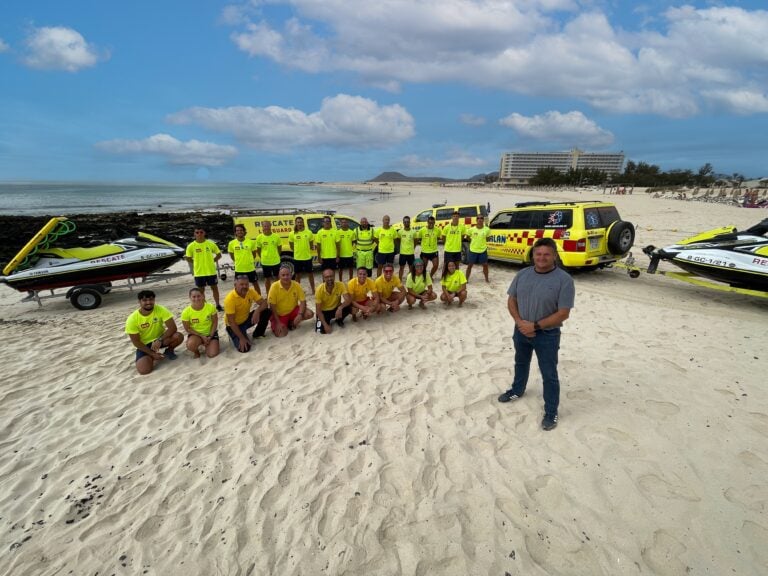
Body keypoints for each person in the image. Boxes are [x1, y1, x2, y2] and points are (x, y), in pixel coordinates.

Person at [497, 238, 575, 432]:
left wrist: (536, 326)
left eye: (546, 254)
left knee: (549, 374)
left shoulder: (564, 280)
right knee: (521, 363)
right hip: (521, 330)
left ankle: (551, 412)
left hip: (547, 335)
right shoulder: (522, 274)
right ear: (533, 255)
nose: (541, 258)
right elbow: (511, 300)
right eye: (538, 254)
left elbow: (563, 313)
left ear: (555, 255)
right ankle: (517, 390)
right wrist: (520, 323)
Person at [125, 290, 184, 375]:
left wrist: (159, 340)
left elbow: (173, 328)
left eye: (151, 299)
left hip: (161, 339)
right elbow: (136, 342)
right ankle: (151, 356)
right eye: (145, 300)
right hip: (144, 345)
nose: (148, 302)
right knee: (144, 370)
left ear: (154, 300)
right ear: (139, 302)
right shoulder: (132, 319)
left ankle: (169, 351)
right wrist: (152, 354)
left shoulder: (160, 309)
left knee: (178, 336)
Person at [223, 274, 271, 353]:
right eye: (241, 284)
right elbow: (231, 321)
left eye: (246, 284)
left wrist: (257, 311)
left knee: (267, 311)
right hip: (234, 325)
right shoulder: (229, 299)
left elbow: (264, 303)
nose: (244, 286)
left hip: (246, 319)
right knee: (245, 348)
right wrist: (242, 338)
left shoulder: (250, 291)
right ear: (235, 285)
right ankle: (237, 335)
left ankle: (258, 334)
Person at [268, 263, 314, 337]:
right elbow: (272, 306)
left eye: (287, 275)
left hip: (293, 311)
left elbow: (303, 301)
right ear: (279, 276)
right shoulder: (274, 286)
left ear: (291, 275)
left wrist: (300, 314)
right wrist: (278, 322)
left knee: (309, 314)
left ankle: (292, 322)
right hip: (280, 315)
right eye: (283, 275)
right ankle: (285, 323)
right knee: (282, 334)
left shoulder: (296, 284)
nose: (286, 277)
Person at [185, 227, 223, 311]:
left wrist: (213, 261)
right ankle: (204, 306)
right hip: (199, 273)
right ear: (194, 234)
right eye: (197, 232)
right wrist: (195, 263)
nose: (199, 234)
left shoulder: (210, 244)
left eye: (201, 232)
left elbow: (219, 254)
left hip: (211, 271)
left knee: (215, 289)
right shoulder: (191, 246)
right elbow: (188, 257)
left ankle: (218, 305)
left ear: (204, 233)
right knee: (201, 291)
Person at [180, 287, 220, 359]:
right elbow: (188, 328)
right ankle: (196, 352)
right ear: (190, 298)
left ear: (203, 296)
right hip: (196, 334)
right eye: (194, 297)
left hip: (210, 333)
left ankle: (208, 343)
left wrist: (210, 336)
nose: (196, 299)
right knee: (190, 345)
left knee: (212, 354)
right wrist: (201, 336)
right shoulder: (186, 312)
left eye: (199, 296)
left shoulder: (210, 307)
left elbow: (215, 322)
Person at [314, 268, 353, 334]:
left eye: (331, 276)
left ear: (334, 276)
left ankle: (339, 320)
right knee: (320, 331)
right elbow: (318, 310)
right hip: (324, 312)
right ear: (323, 278)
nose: (329, 278)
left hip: (336, 309)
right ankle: (326, 322)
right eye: (327, 277)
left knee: (350, 308)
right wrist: (325, 325)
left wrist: (340, 308)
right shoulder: (319, 289)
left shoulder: (340, 285)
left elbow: (348, 299)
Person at [227, 223, 260, 295]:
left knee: (255, 284)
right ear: (235, 232)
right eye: (237, 230)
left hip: (250, 268)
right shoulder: (231, 243)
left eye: (241, 230)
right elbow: (232, 255)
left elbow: (254, 254)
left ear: (244, 231)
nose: (239, 232)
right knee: (238, 286)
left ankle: (259, 298)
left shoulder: (251, 242)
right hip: (239, 268)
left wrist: (249, 260)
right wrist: (238, 261)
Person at [289, 216, 315, 293]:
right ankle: (298, 290)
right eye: (298, 222)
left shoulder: (309, 233)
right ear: (296, 223)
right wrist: (297, 251)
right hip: (297, 258)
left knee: (310, 274)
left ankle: (313, 289)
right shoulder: (292, 233)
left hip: (307, 257)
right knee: (297, 276)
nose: (299, 223)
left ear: (303, 223)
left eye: (301, 222)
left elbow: (311, 245)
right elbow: (291, 246)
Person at [255, 221, 282, 293]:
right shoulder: (259, 237)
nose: (266, 228)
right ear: (262, 227)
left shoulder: (276, 236)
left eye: (267, 226)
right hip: (265, 262)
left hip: (276, 261)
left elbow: (279, 248)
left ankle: (278, 293)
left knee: (277, 278)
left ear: (270, 226)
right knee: (267, 279)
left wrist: (276, 255)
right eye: (264, 226)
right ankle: (268, 294)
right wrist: (263, 257)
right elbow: (258, 250)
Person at [465, 214, 491, 282]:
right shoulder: (471, 229)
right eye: (478, 218)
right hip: (473, 250)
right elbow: (467, 236)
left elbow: (488, 238)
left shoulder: (487, 229)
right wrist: (472, 241)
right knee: (470, 265)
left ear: (483, 220)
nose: (480, 219)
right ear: (476, 220)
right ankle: (466, 280)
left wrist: (487, 238)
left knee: (485, 265)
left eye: (481, 218)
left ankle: (487, 279)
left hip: (483, 250)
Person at [397, 215, 417, 281]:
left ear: (409, 222)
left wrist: (412, 248)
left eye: (407, 222)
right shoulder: (400, 232)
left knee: (411, 268)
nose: (406, 223)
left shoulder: (413, 232)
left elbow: (415, 242)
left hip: (411, 253)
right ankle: (399, 280)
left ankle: (410, 280)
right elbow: (398, 241)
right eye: (405, 222)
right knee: (401, 268)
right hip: (403, 253)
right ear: (403, 223)